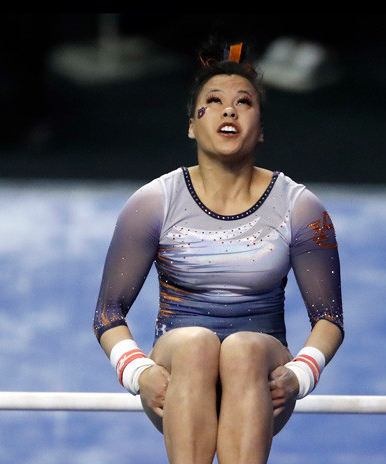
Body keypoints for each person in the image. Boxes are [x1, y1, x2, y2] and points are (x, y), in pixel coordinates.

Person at [92, 40, 344, 464]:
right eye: (214, 101)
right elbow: (107, 313)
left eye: (244, 102)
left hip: (262, 379)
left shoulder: (300, 207)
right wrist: (139, 373)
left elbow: (329, 320)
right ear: (192, 124)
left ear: (260, 128)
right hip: (177, 377)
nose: (229, 110)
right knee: (196, 345)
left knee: (242, 348)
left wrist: (300, 376)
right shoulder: (153, 203)